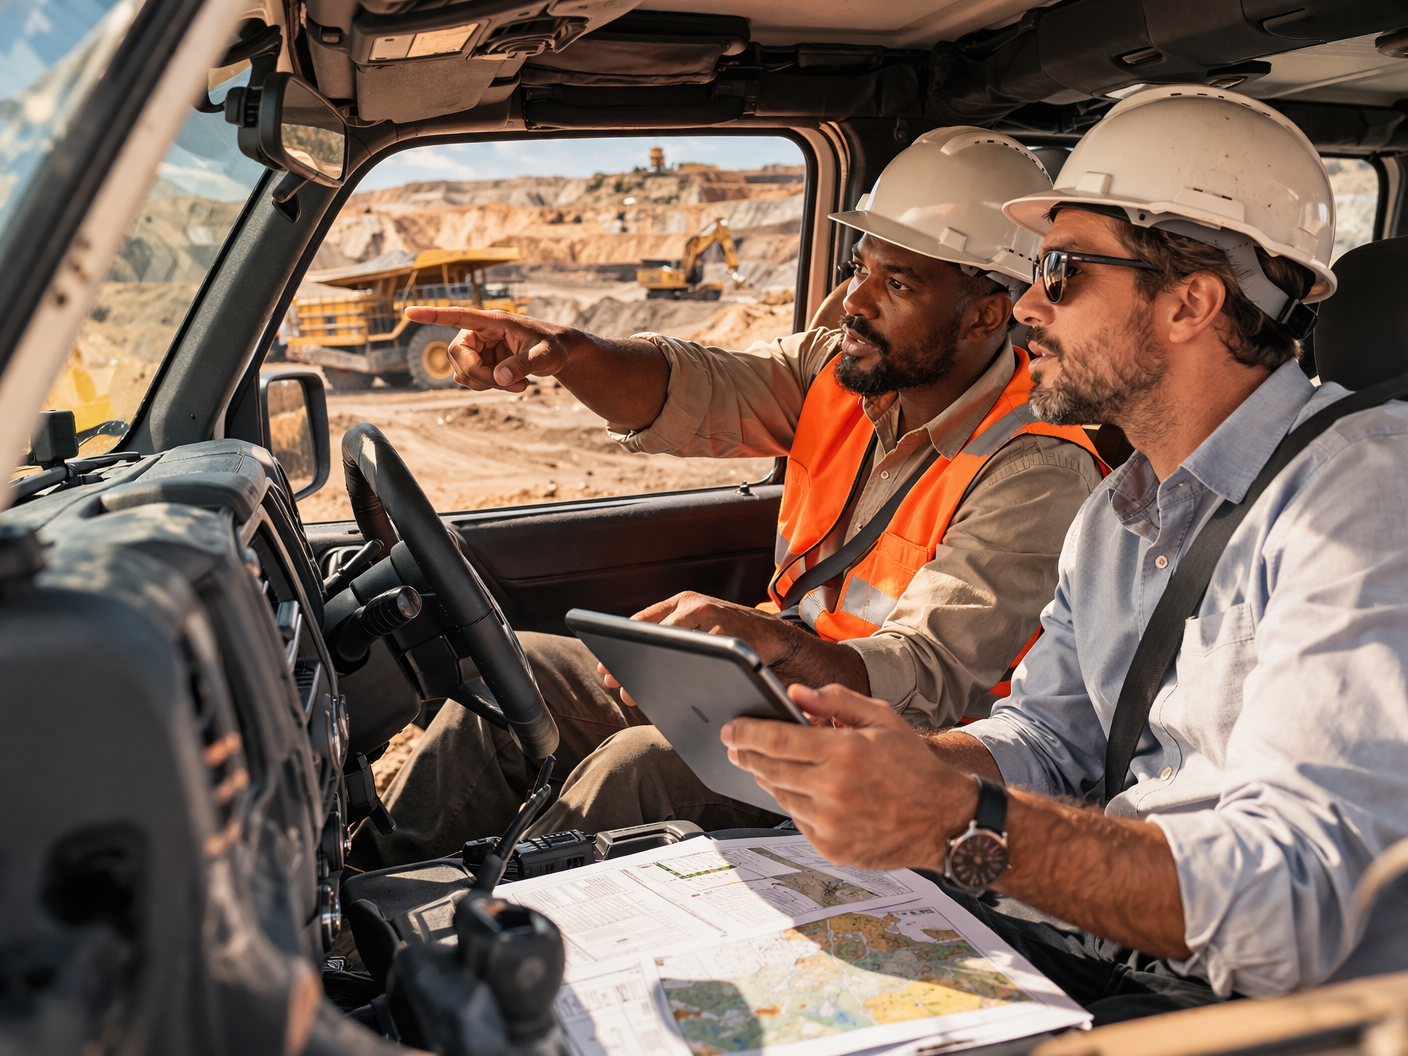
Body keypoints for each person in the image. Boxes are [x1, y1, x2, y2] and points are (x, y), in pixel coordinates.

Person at [719, 85, 1408, 1022]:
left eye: (1061, 270)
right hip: (1092, 940)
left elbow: (1304, 908)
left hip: (1245, 1003)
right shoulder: (1119, 513)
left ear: (1191, 302)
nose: (1026, 304)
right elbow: (1051, 739)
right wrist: (917, 762)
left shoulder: (1363, 500)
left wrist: (957, 822)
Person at [350, 127, 1106, 869]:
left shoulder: (1035, 465)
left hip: (891, 750)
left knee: (639, 767)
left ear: (984, 314)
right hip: (780, 687)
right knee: (512, 682)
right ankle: (362, 915)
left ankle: (489, 942)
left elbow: (931, 676)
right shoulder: (839, 373)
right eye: (859, 268)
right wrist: (566, 355)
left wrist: (779, 646)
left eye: (897, 283)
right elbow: (695, 387)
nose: (854, 300)